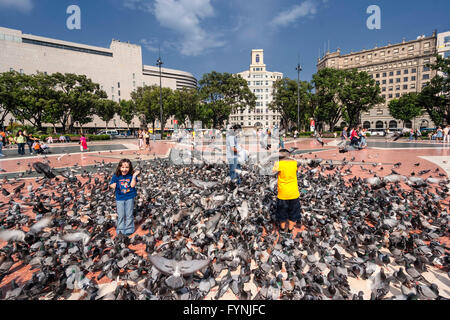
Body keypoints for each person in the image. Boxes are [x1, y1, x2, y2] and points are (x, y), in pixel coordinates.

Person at [272, 149, 301, 233]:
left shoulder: (278, 164)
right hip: (294, 193)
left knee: (282, 212)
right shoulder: (294, 163)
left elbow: (273, 171)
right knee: (294, 212)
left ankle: (282, 229)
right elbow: (296, 170)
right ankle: (290, 229)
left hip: (283, 193)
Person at [109, 159, 140, 236]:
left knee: (129, 214)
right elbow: (111, 184)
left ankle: (129, 228)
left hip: (129, 197)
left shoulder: (131, 176)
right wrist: (112, 185)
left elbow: (132, 185)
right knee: (121, 214)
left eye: (127, 167)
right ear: (119, 167)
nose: (124, 169)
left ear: (130, 168)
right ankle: (120, 229)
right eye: (122, 167)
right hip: (119, 198)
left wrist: (134, 176)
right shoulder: (116, 176)